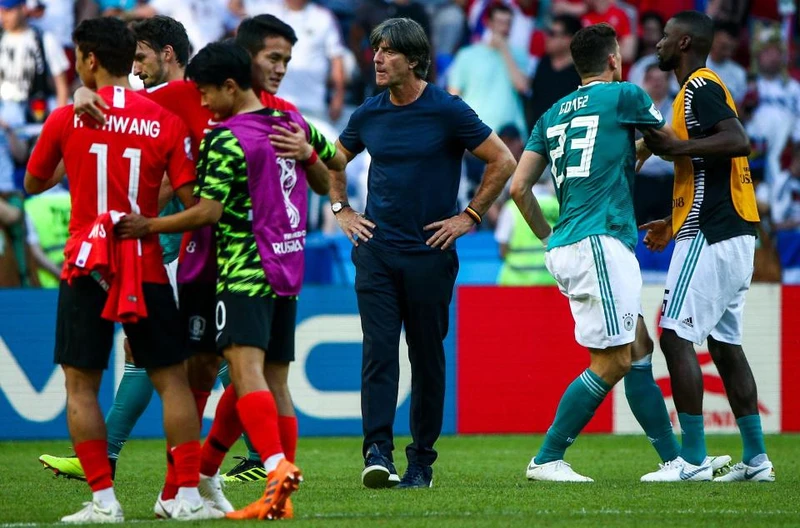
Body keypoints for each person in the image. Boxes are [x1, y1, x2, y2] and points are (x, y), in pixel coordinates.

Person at [37, 14, 341, 504]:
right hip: (200, 262)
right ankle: (183, 488)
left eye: (287, 59)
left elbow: (333, 164)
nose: (281, 69)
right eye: (273, 58)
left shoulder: (286, 115)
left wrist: (312, 161)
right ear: (244, 61)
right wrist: (79, 95)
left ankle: (212, 475)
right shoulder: (185, 95)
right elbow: (119, 106)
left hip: (253, 264)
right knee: (203, 371)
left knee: (244, 372)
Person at [116, 40, 341, 519]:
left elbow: (208, 211)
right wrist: (308, 155)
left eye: (206, 93)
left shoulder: (230, 135)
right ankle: (231, 490)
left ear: (231, 85)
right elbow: (334, 166)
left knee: (242, 373)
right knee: (268, 380)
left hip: (238, 271)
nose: (201, 102)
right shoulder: (290, 122)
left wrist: (148, 226)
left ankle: (271, 467)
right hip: (284, 269)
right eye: (274, 59)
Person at [24, 16, 222, 522]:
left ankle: (104, 501)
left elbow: (33, 183)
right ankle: (184, 496)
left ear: (90, 59)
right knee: (173, 382)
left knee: (81, 385)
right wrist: (151, 223)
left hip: (86, 263)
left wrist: (76, 142)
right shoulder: (163, 119)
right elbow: (194, 202)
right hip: (147, 262)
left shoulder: (68, 118)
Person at [331, 17, 516, 489]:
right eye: (376, 49)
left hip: (430, 254)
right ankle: (377, 452)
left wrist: (469, 216)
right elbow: (333, 160)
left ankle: (421, 462)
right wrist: (341, 210)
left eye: (388, 51)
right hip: (376, 251)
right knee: (378, 352)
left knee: (427, 357)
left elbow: (503, 159)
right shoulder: (368, 113)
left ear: (414, 60)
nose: (377, 58)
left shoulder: (447, 109)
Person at [509, 22, 685, 482]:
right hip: (599, 241)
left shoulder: (551, 114)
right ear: (613, 60)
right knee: (614, 361)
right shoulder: (624, 95)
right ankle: (547, 458)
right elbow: (668, 144)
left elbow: (519, 188)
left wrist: (547, 236)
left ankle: (675, 462)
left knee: (639, 348)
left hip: (572, 241)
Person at [639, 10, 773, 482]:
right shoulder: (692, 93)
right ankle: (756, 460)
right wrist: (671, 221)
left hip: (711, 232)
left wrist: (673, 148)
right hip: (733, 232)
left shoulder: (699, 85)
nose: (658, 42)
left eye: (665, 35)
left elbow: (737, 140)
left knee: (674, 334)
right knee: (724, 344)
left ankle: (693, 459)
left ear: (684, 43)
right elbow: (706, 174)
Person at [448, 3, 529, 137]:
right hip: (476, 132)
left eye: (508, 23)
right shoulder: (467, 54)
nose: (504, 28)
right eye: (500, 22)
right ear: (489, 23)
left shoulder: (519, 54)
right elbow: (454, 95)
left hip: (511, 134)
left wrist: (504, 50)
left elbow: (522, 87)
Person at [525, 14, 582, 132]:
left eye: (552, 34)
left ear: (568, 39)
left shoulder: (582, 72)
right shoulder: (543, 62)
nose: (547, 38)